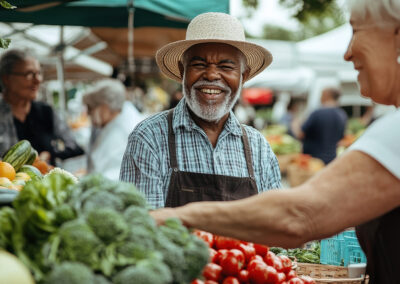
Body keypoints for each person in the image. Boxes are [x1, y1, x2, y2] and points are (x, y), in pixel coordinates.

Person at [150, 1, 400, 282]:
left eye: (356, 30)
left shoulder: (396, 132)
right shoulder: (151, 135)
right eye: (198, 63)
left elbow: (298, 216)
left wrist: (176, 218)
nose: (348, 52)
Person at [120, 12, 281, 209]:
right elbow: (142, 227)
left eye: (225, 66)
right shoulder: (149, 138)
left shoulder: (258, 149)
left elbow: (273, 223)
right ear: (182, 71)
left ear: (243, 75)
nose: (212, 75)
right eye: (199, 64)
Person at [0, 49, 84, 165]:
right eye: (29, 74)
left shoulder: (46, 112)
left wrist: (51, 154)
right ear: (7, 79)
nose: (38, 80)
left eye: (39, 73)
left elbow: (75, 147)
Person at [83, 79, 144, 180]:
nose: (89, 114)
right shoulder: (120, 119)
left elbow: (112, 175)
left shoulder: (123, 130)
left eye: (91, 108)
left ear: (104, 108)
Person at [293, 87, 347, 164]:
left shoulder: (317, 113)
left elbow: (300, 134)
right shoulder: (342, 115)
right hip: (331, 160)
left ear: (326, 95)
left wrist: (295, 124)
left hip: (313, 161)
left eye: (321, 94)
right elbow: (341, 139)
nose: (320, 97)